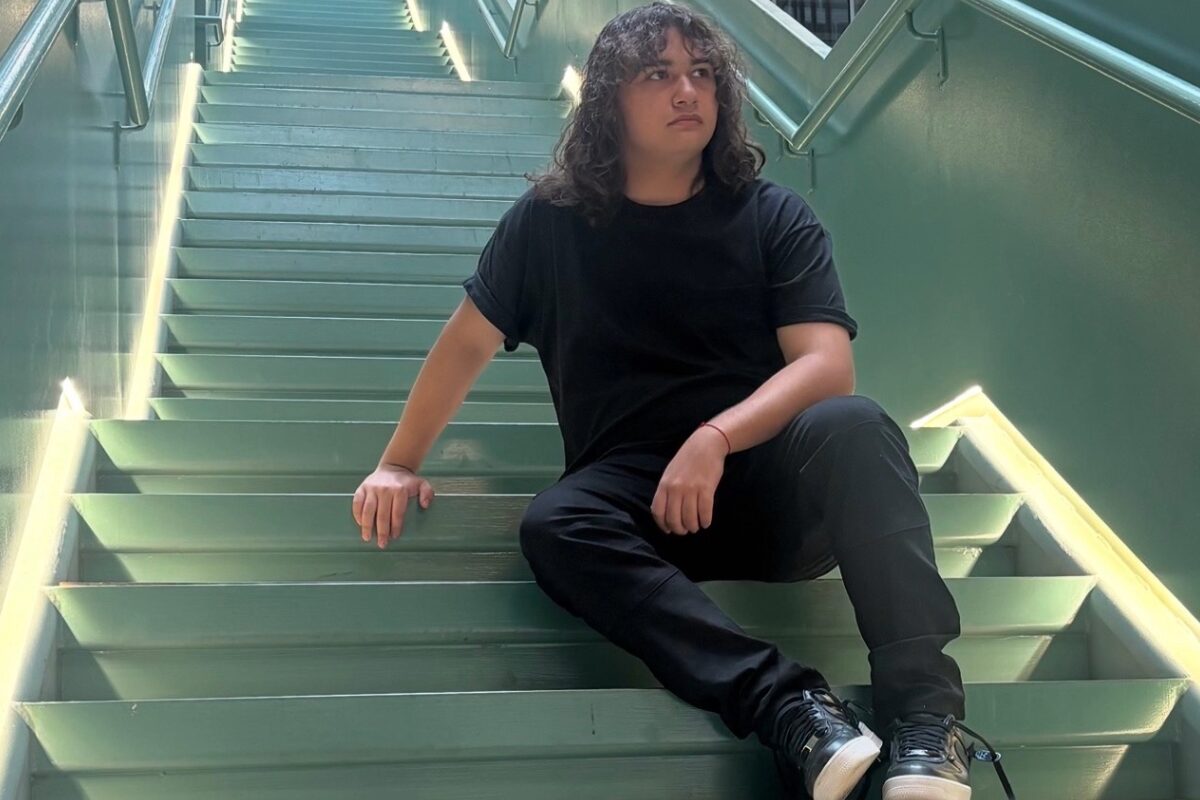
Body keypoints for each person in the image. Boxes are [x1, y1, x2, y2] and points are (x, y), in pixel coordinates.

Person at [352, 3, 1013, 799]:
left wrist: (716, 437)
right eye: (658, 74)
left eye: (702, 74)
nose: (687, 91)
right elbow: (466, 343)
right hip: (638, 504)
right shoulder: (548, 225)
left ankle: (924, 721)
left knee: (855, 423)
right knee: (554, 523)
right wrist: (398, 463)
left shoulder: (772, 215)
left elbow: (826, 366)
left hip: (767, 490)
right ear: (609, 98)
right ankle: (794, 710)